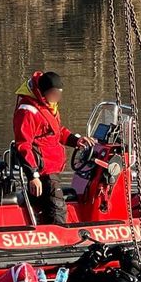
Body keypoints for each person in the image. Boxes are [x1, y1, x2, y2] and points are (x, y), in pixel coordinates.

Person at [13, 71, 93, 225]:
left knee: (49, 201)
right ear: (44, 92)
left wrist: (75, 140)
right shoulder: (28, 111)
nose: (57, 98)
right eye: (54, 94)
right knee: (56, 207)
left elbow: (55, 131)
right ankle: (60, 238)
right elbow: (23, 145)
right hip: (42, 169)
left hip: (50, 166)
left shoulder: (47, 106)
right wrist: (33, 176)